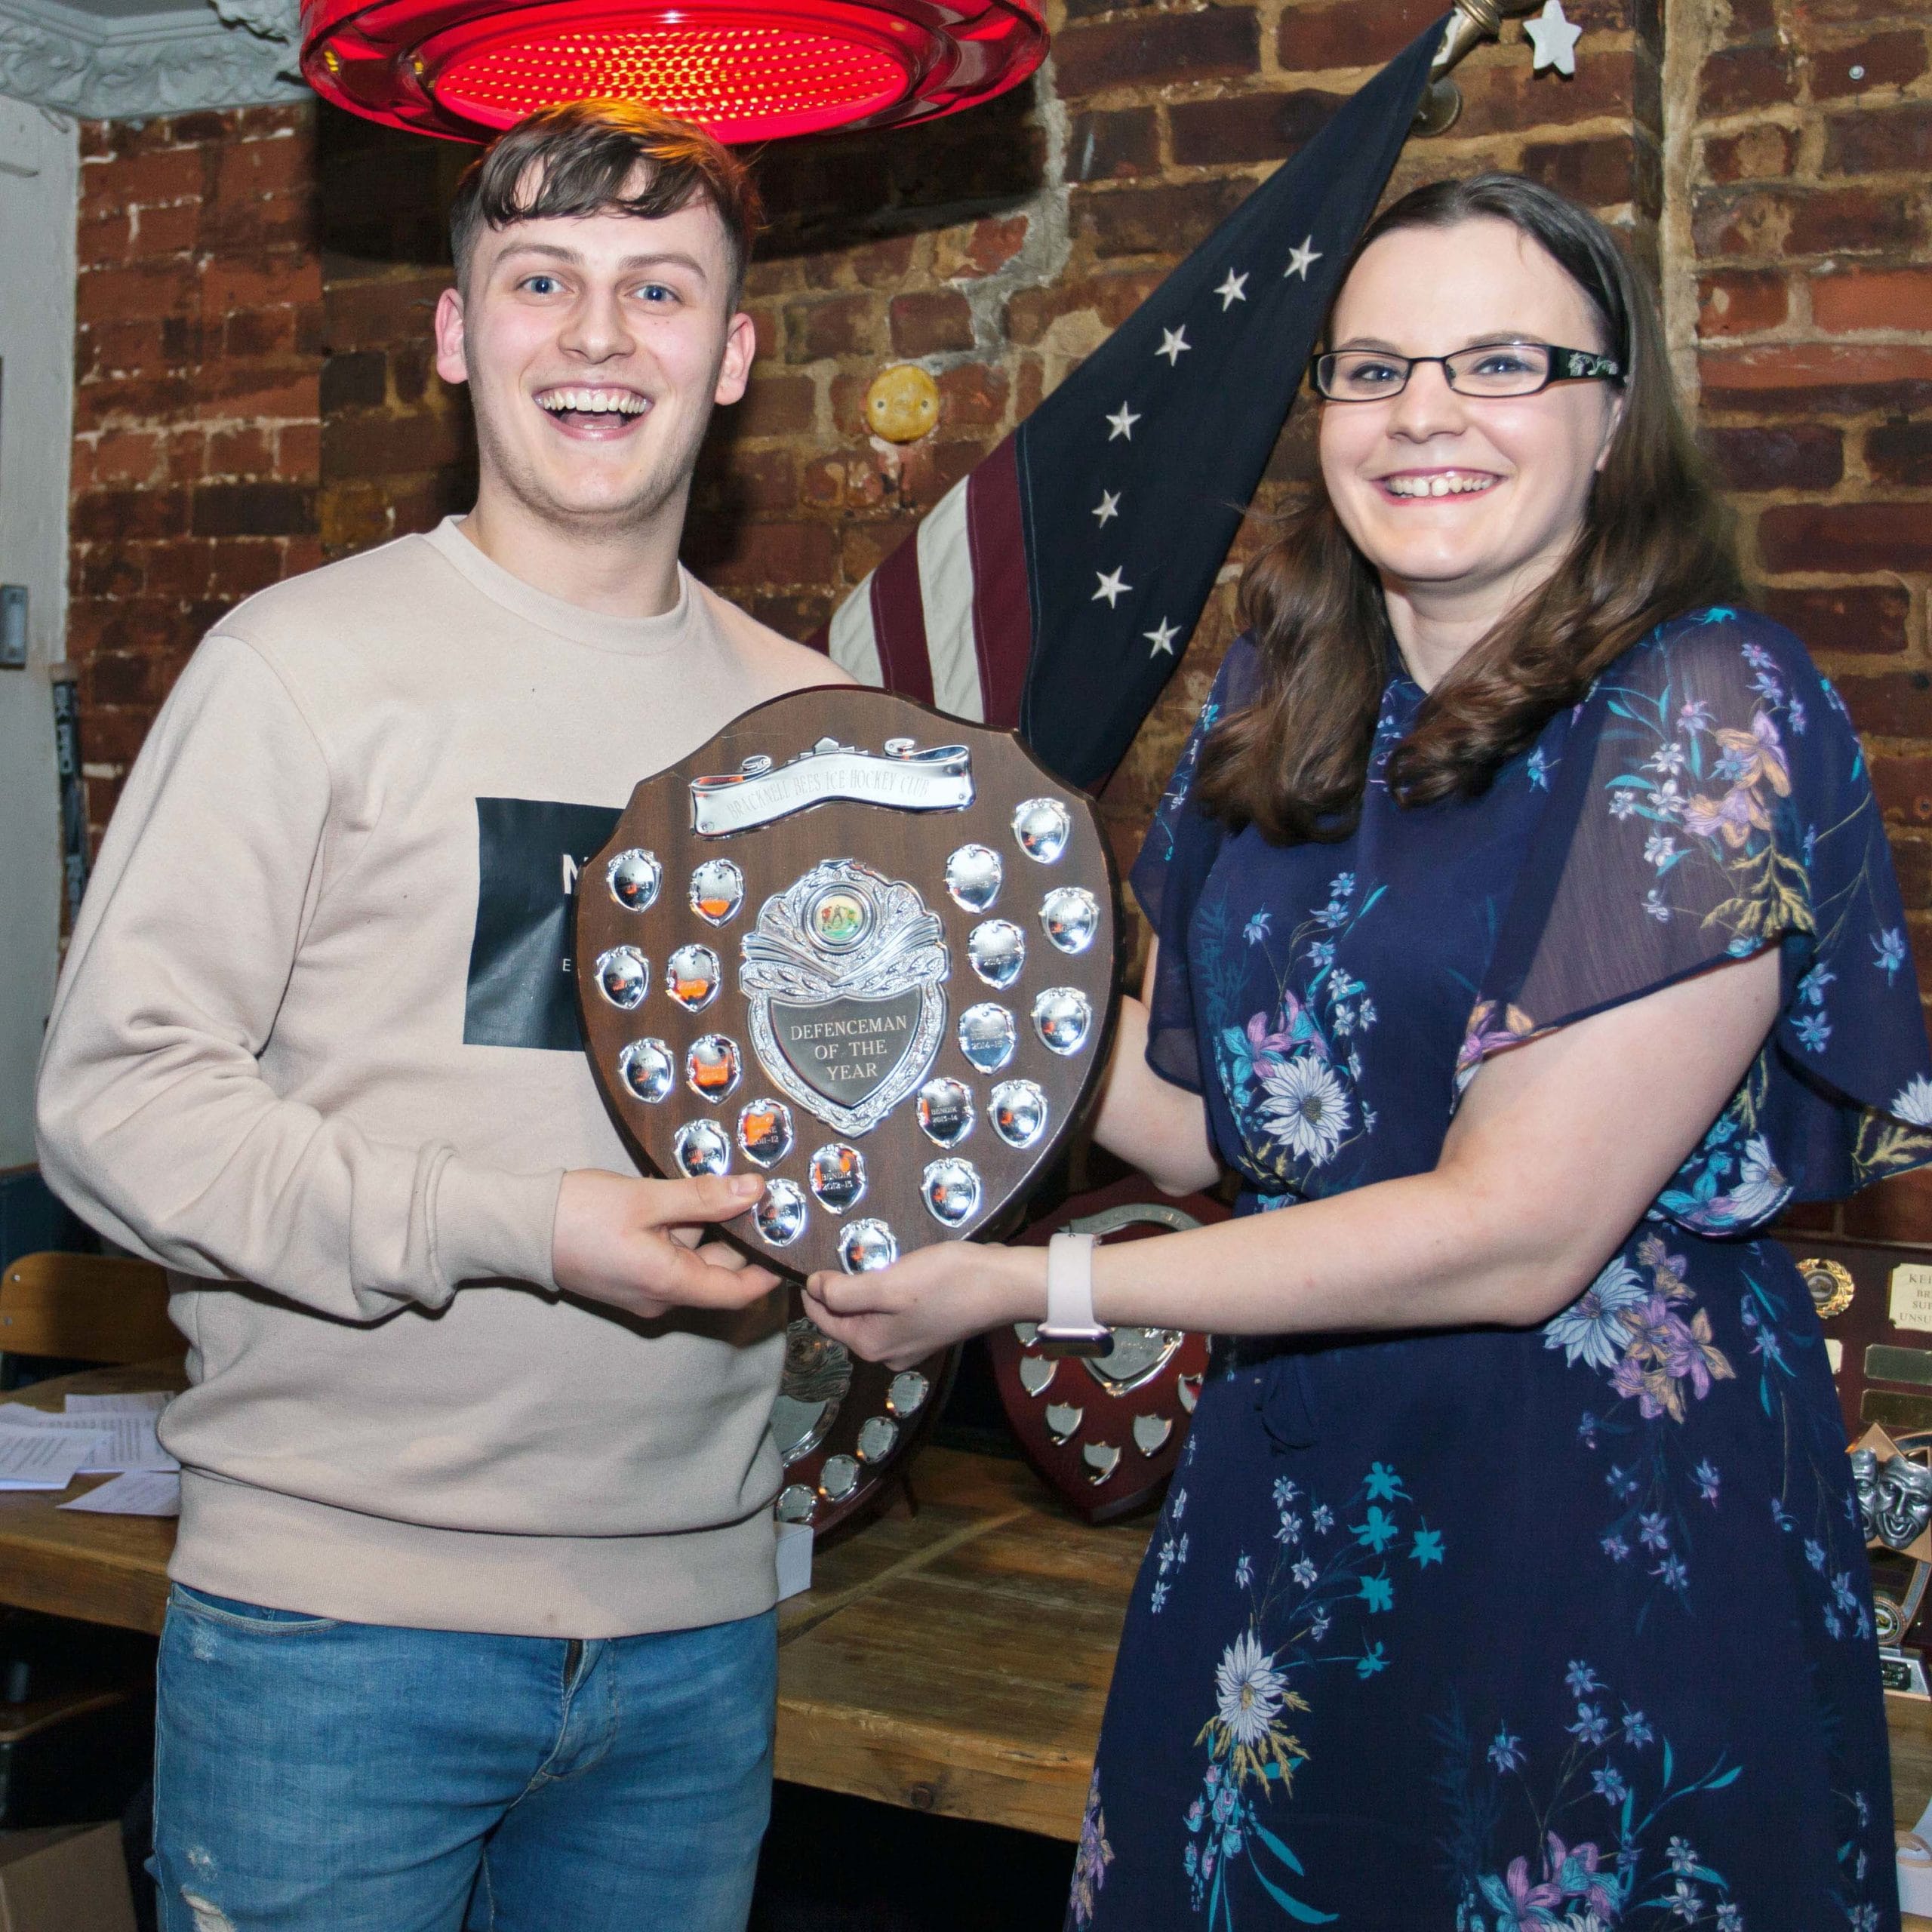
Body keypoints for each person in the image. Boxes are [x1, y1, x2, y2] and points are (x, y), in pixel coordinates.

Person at [804, 174, 1932, 1930]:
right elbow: (1186, 1117)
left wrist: (1023, 1288)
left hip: (1592, 1521)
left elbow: (1514, 1228)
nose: (1423, 413)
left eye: (1497, 361)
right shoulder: (1276, 699)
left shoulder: (1705, 697)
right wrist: (890, 993)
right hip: (1284, 1497)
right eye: (1370, 366)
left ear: (1609, 410)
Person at [36, 103, 848, 1932]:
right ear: (453, 334)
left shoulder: (817, 734)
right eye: (539, 280)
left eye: (658, 291)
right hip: (335, 1626)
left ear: (728, 360)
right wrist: (527, 1225)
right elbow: (118, 1101)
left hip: (698, 1628)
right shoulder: (299, 667)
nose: (592, 333)